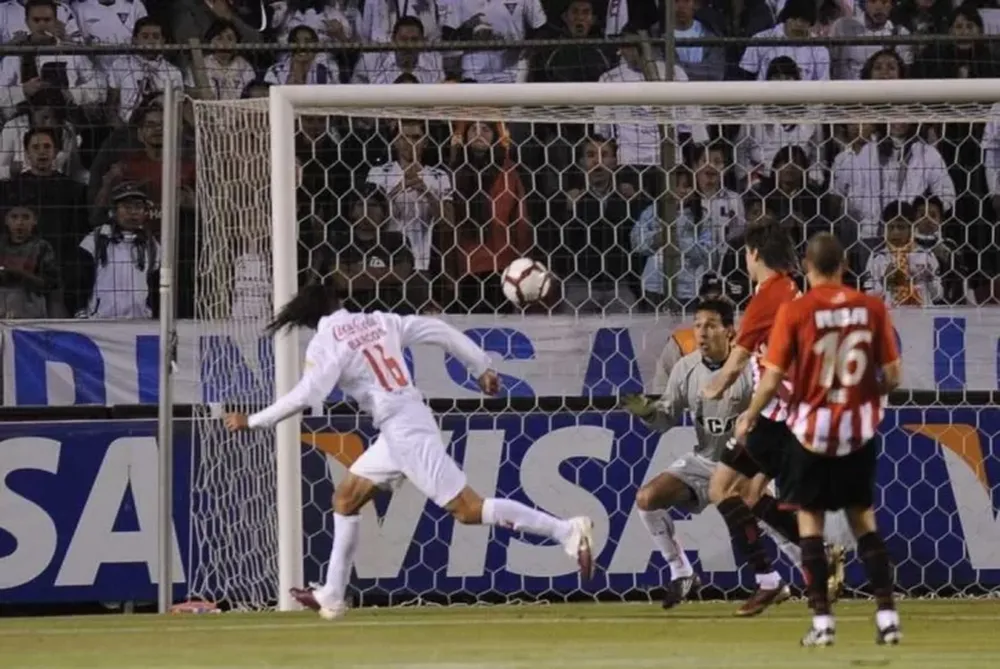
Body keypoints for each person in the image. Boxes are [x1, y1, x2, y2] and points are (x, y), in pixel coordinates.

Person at [222, 282, 595, 620]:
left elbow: (308, 395)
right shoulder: (379, 320)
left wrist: (253, 421)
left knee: (468, 510)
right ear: (340, 301)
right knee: (346, 497)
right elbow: (439, 330)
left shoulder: (326, 343)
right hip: (401, 425)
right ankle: (333, 595)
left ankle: (566, 531)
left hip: (405, 431)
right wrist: (480, 366)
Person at [735, 233, 902, 647]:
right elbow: (894, 377)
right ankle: (886, 617)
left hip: (809, 433)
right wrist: (866, 394)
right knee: (864, 521)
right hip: (858, 431)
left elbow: (772, 377)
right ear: (845, 265)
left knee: (809, 524)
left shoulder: (795, 311)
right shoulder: (873, 308)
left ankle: (823, 625)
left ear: (806, 268)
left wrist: (751, 415)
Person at [701, 221, 838, 616]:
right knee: (751, 496)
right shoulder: (791, 288)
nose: (744, 259)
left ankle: (769, 580)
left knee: (721, 488)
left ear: (755, 253)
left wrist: (711, 392)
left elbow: (734, 366)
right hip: (797, 411)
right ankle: (816, 565)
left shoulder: (769, 297)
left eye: (745, 252)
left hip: (777, 415)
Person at [622, 298, 753, 608]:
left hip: (747, 464)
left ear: (729, 331)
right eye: (697, 326)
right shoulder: (685, 368)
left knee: (778, 520)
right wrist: (647, 413)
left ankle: (817, 571)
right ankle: (681, 572)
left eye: (710, 326)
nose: (702, 333)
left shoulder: (749, 369)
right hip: (705, 461)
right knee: (646, 499)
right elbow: (665, 420)